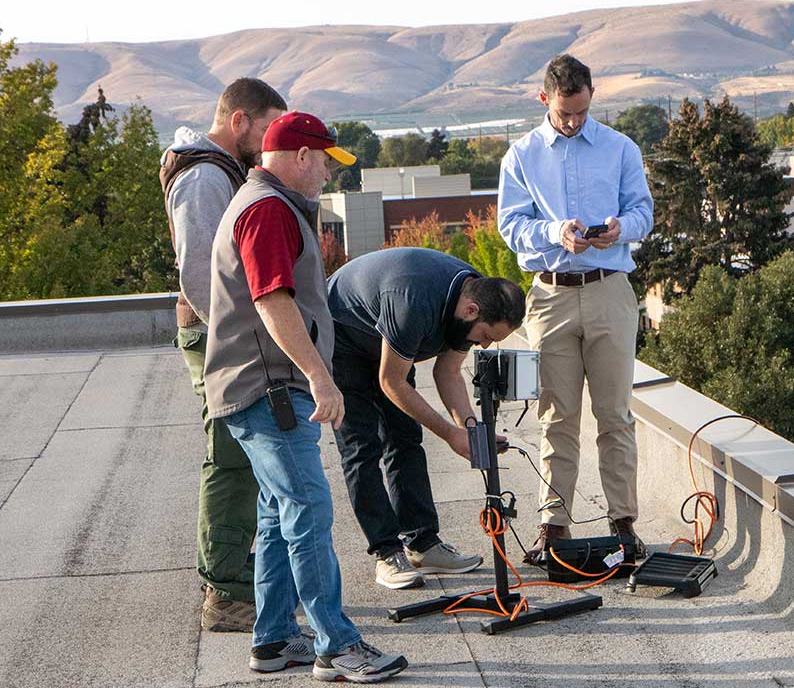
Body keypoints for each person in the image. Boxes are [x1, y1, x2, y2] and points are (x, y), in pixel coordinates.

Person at [205, 111, 406, 682]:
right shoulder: (269, 210)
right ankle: (337, 646)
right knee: (309, 511)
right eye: (323, 161)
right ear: (298, 156)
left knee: (277, 514)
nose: (326, 174)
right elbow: (272, 301)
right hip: (271, 390)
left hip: (254, 386)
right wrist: (320, 375)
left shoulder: (262, 202)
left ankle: (273, 642)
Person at [496, 54, 654, 563]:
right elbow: (511, 225)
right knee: (555, 417)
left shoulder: (620, 148)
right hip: (550, 294)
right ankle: (554, 526)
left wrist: (619, 230)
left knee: (615, 415)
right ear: (545, 100)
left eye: (582, 112)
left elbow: (644, 213)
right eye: (566, 113)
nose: (574, 122)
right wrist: (554, 231)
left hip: (610, 288)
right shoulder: (519, 157)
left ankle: (624, 523)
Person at [160, 77, 285, 632]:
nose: (267, 140)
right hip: (217, 336)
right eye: (263, 128)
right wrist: (238, 338)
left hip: (224, 334)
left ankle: (235, 577)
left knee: (240, 459)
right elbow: (200, 272)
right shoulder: (205, 175)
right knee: (231, 458)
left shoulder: (215, 169)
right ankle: (227, 595)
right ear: (238, 121)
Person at [326, 248, 526, 590]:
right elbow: (392, 382)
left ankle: (422, 544)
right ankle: (387, 552)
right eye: (487, 336)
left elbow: (448, 371)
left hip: (388, 337)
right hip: (342, 333)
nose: (484, 345)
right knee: (362, 448)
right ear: (471, 311)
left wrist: (470, 431)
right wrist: (449, 434)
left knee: (405, 438)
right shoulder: (412, 302)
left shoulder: (472, 295)